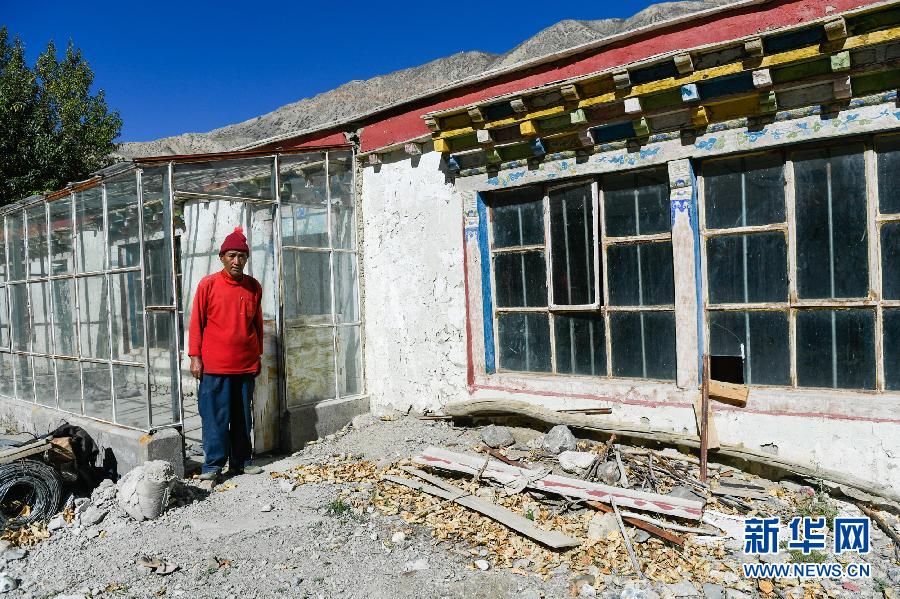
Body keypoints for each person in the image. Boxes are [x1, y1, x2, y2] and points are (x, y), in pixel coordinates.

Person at [188, 227, 264, 481]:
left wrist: (258, 356)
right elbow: (196, 322)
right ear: (222, 257)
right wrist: (195, 357)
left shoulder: (253, 287)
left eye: (242, 256)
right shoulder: (208, 284)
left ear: (246, 259)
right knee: (214, 417)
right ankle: (212, 465)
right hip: (214, 366)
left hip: (245, 365)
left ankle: (242, 461)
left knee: (242, 418)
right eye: (231, 255)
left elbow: (257, 325)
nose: (236, 261)